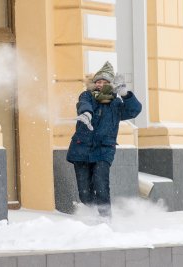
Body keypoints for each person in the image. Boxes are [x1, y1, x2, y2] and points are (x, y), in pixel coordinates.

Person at [66, 61, 142, 219]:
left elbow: (134, 110)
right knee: (84, 194)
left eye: (105, 82)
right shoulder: (87, 95)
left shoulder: (116, 103)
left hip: (103, 150)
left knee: (101, 187)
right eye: (98, 82)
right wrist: (86, 113)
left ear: (111, 84)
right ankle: (93, 216)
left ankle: (106, 219)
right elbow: (83, 103)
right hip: (82, 149)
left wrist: (125, 93)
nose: (100, 85)